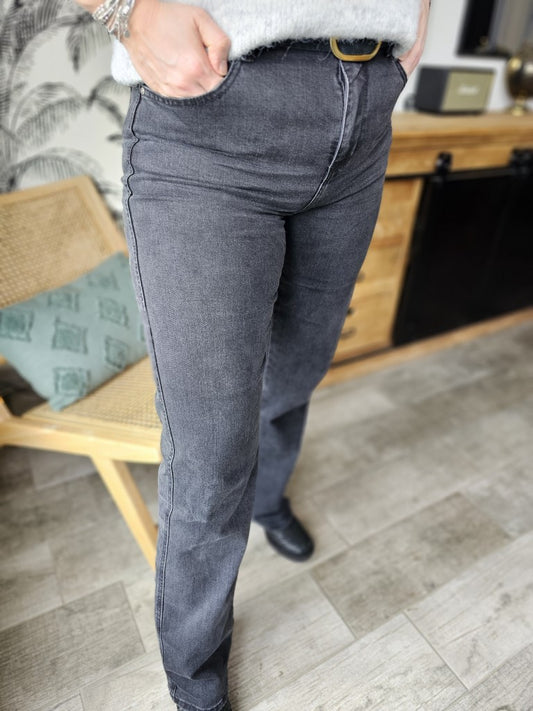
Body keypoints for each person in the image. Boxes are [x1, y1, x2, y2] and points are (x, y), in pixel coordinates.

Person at [73, 1, 430, 709]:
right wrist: (123, 7)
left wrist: (414, 22)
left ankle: (269, 500)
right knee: (209, 447)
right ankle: (196, 675)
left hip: (364, 110)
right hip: (212, 119)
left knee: (299, 367)